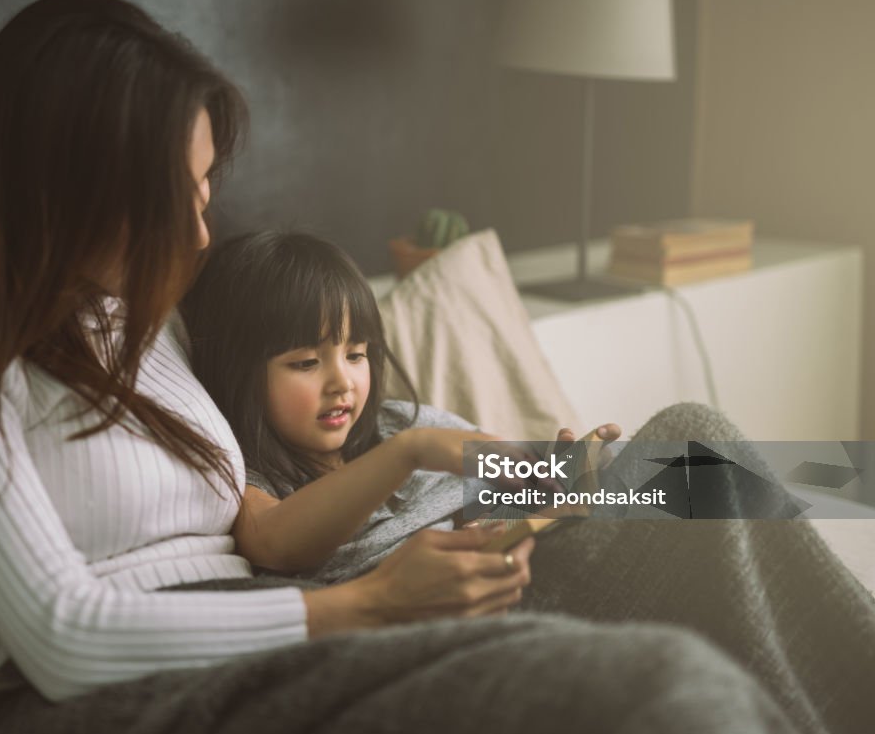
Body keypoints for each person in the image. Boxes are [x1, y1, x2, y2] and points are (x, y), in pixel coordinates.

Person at [0, 0, 867, 734]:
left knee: (691, 449)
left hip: (315, 600)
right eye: (182, 198)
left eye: (208, 193)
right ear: (75, 185)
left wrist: (554, 478)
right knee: (661, 686)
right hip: (113, 691)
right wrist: (373, 603)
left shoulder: (141, 324)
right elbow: (65, 638)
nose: (200, 233)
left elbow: (407, 454)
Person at [182, 230, 598, 584]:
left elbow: (511, 491)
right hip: (490, 606)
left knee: (636, 475)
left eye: (356, 354)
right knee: (653, 480)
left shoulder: (404, 420)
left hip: (539, 554)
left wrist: (550, 483)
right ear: (236, 373)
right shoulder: (248, 479)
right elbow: (276, 544)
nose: (342, 382)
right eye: (306, 362)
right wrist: (410, 451)